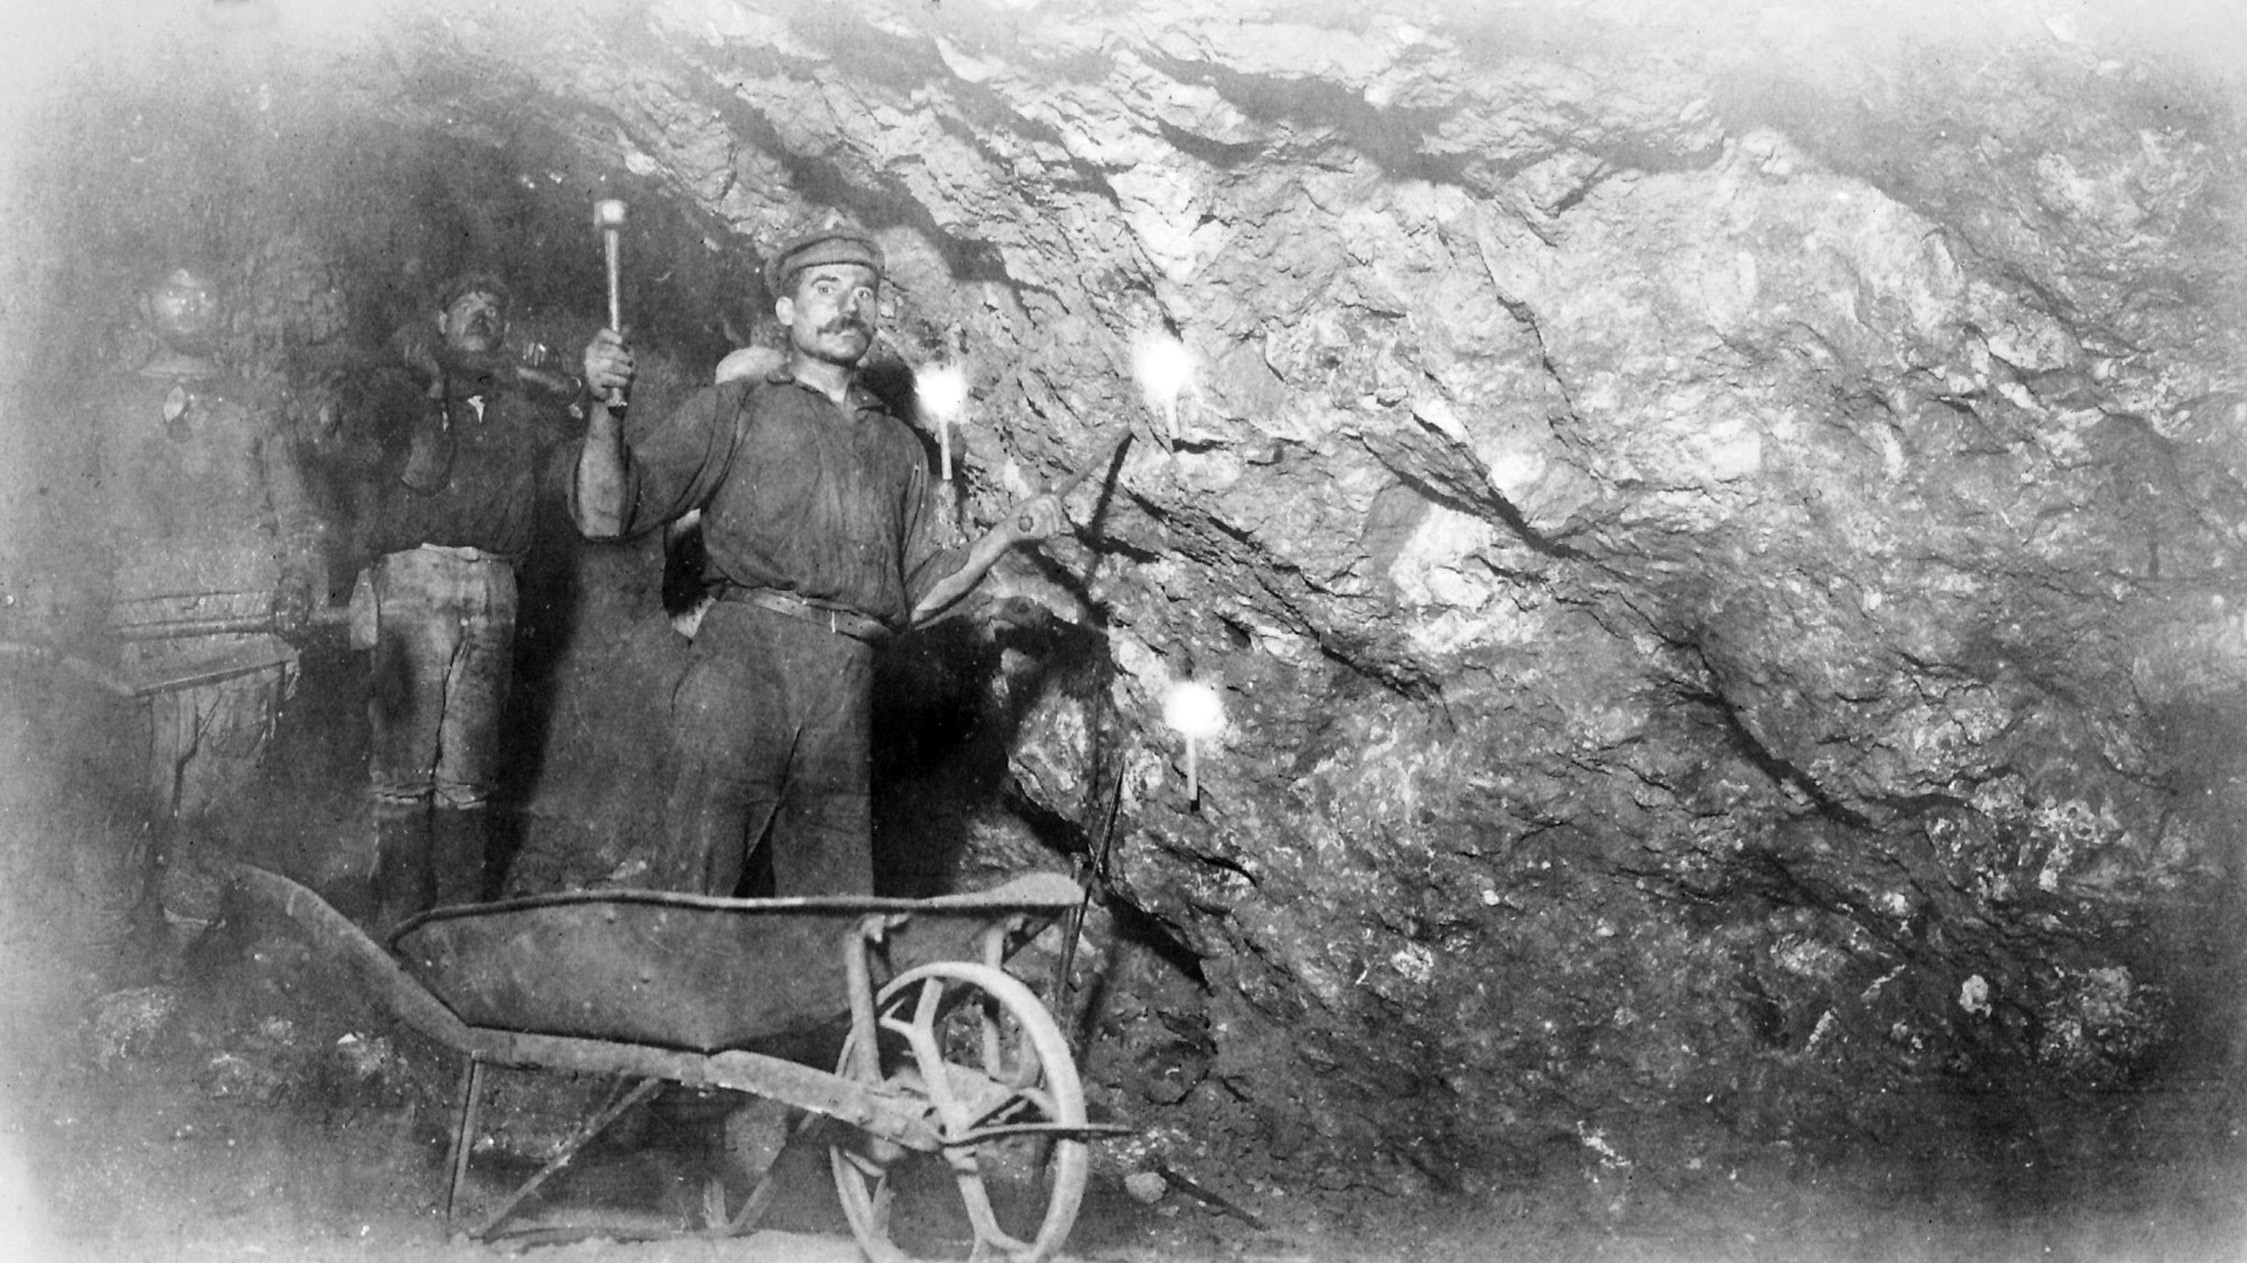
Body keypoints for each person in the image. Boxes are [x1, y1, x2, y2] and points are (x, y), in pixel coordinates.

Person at [573, 229, 1065, 897]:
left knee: (836, 905)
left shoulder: (898, 447)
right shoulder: (738, 407)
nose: (847, 306)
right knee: (696, 884)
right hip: (744, 661)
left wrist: (1004, 535)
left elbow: (914, 593)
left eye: (864, 293)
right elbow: (607, 512)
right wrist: (605, 410)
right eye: (826, 288)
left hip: (845, 679)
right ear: (786, 310)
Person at [89, 261, 325, 974]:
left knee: (215, 813)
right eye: (173, 288)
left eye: (203, 290)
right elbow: (76, 514)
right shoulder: (113, 403)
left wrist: (299, 582)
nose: (190, 303)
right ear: (145, 301)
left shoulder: (253, 400)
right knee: (124, 808)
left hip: (238, 642)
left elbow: (295, 512)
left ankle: (186, 965)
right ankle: (118, 961)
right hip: (139, 645)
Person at [348, 270, 583, 930]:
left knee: (470, 772)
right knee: (404, 766)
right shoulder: (403, 385)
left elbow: (573, 407)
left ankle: (458, 926)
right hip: (415, 580)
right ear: (441, 320)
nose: (483, 314)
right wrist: (430, 384)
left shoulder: (516, 402)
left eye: (494, 308)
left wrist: (545, 375)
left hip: (495, 586)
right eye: (467, 305)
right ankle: (400, 924)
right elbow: (419, 469)